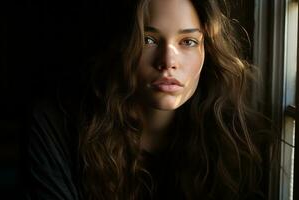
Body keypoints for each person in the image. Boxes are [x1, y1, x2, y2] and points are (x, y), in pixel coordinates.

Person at [21, 0, 275, 199]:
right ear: (122, 45)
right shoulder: (59, 125)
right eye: (148, 39)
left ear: (208, 52)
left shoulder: (233, 140)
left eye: (187, 41)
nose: (167, 62)